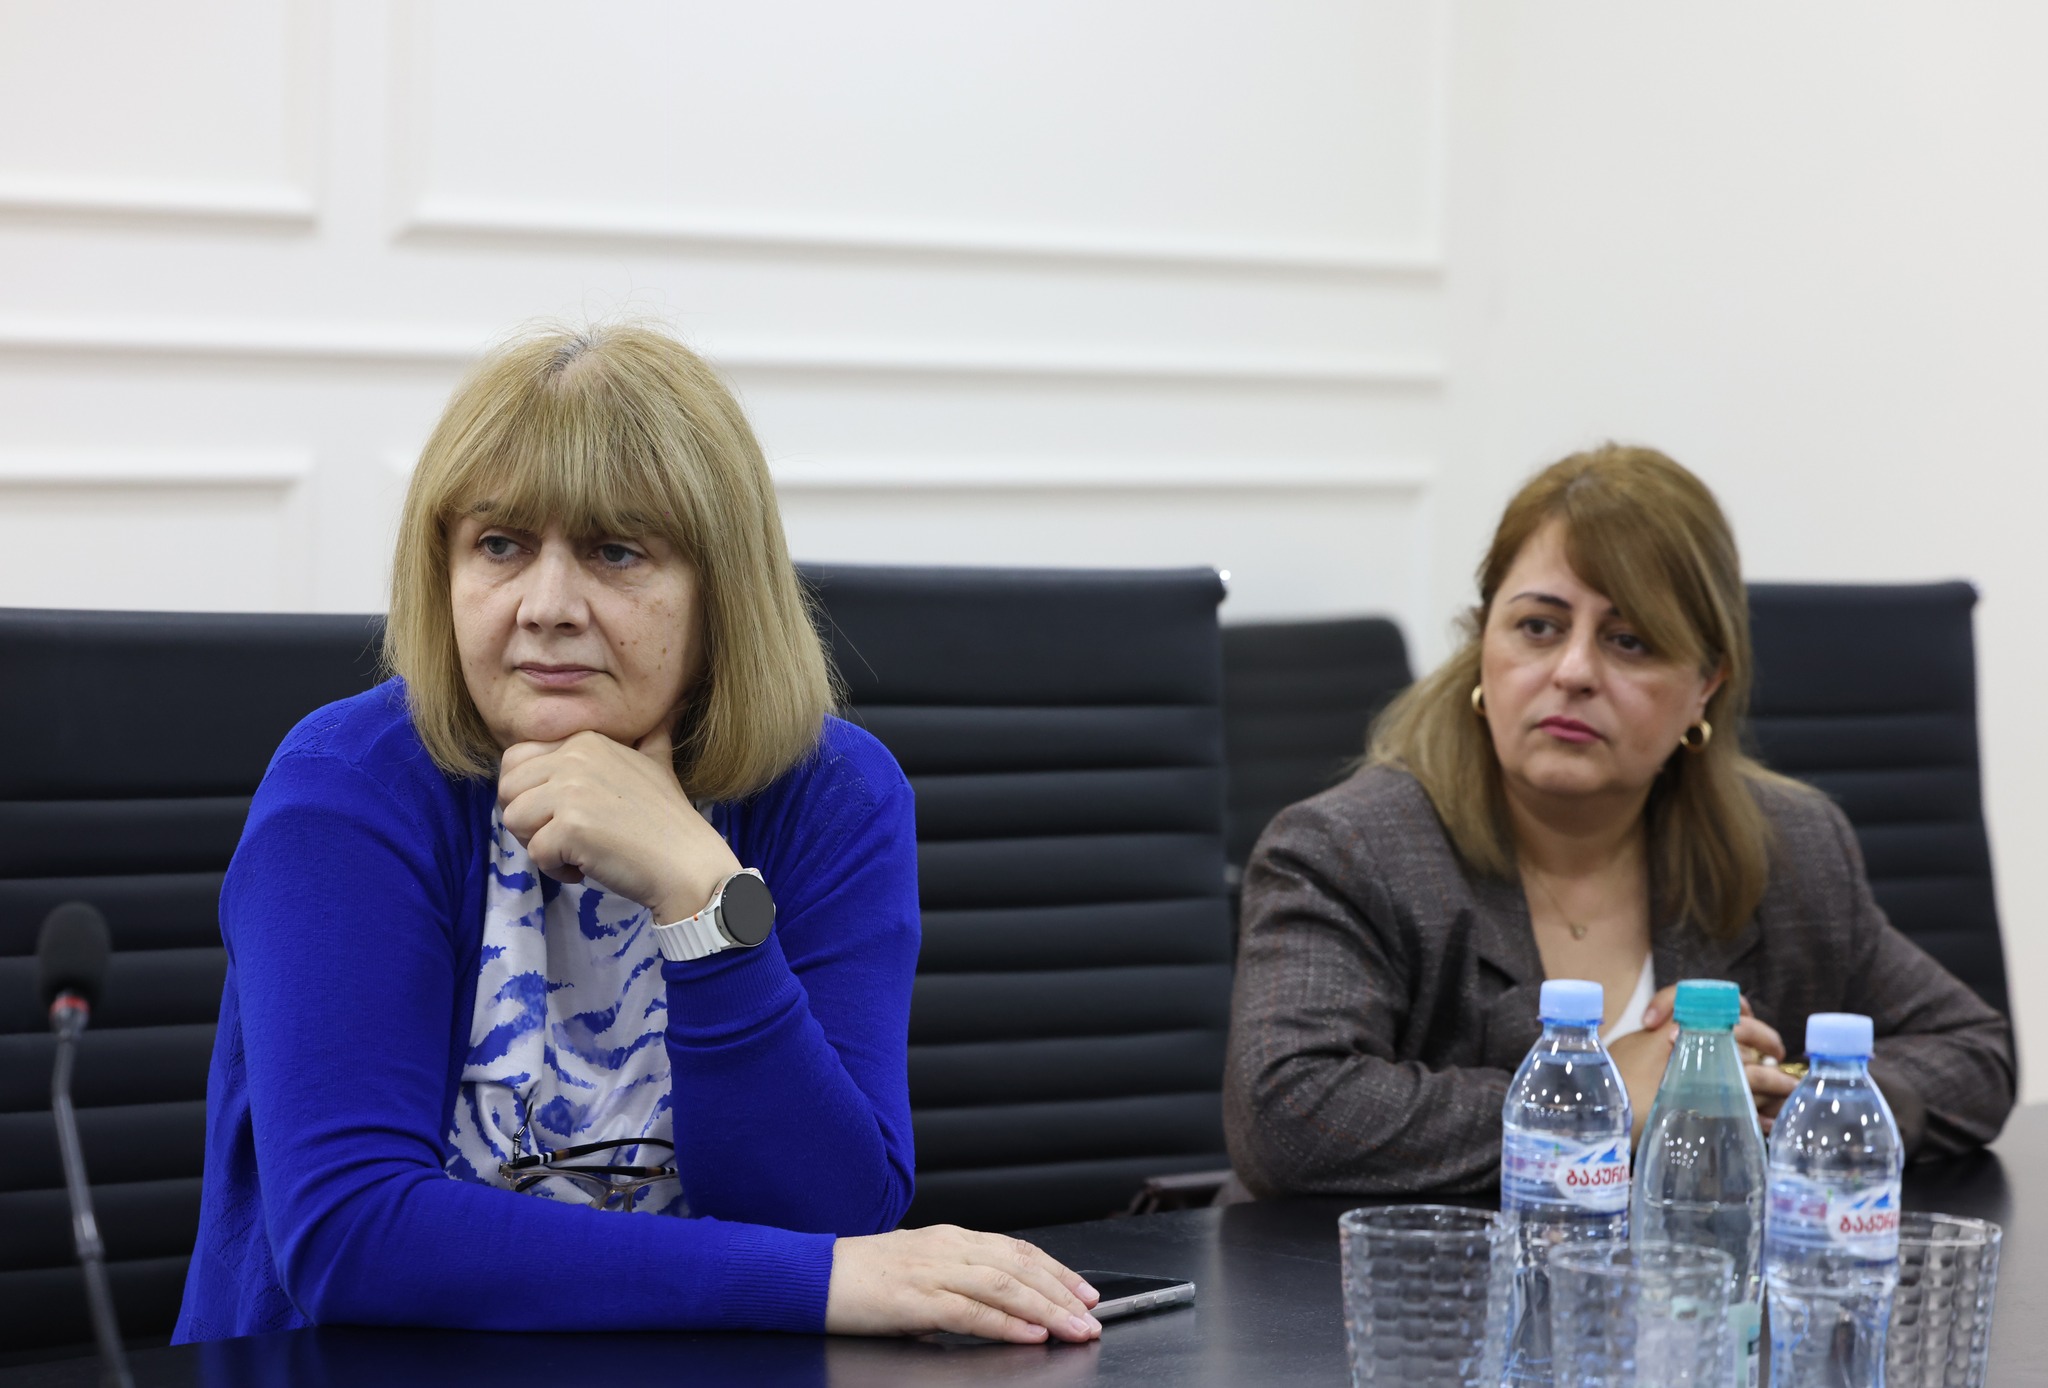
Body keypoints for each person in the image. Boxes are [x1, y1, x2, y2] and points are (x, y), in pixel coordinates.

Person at [175, 324, 1102, 1345]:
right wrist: (797, 1281)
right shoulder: (350, 793)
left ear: (722, 590)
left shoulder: (830, 794)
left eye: (616, 551)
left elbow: (834, 1212)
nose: (546, 607)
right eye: (499, 545)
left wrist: (703, 899)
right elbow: (353, 1237)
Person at [1222, 444, 2015, 1198]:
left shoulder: (1789, 847)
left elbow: (1974, 1054)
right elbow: (1287, 1113)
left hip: (1694, 1284)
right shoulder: (1351, 849)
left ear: (1706, 685)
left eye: (1629, 642)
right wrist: (1599, 1100)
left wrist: (1786, 1100)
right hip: (1396, 1287)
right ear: (1482, 638)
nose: (1572, 672)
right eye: (1538, 626)